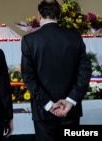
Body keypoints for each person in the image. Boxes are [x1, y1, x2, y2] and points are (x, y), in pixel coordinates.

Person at [21, 0, 92, 141]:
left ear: (39, 15)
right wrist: (70, 100)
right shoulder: (74, 36)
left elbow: (28, 77)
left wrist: (48, 104)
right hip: (70, 110)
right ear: (58, 15)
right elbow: (85, 71)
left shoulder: (29, 40)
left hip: (43, 111)